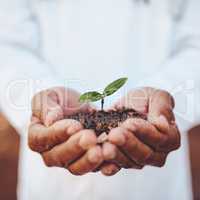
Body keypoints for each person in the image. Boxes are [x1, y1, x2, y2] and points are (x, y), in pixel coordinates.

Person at [0, 0, 200, 199]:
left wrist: (166, 99)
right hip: (53, 184)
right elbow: (7, 44)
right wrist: (39, 97)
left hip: (154, 185)